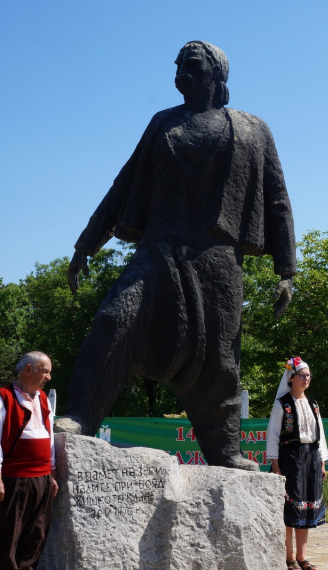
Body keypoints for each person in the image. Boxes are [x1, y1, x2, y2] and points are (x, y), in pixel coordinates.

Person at [55, 41, 296, 470]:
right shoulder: (161, 123)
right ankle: (79, 417)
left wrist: (286, 270)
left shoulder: (252, 129)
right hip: (160, 249)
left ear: (216, 76)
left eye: (191, 66)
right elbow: (125, 185)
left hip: (217, 258)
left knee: (220, 358)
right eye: (178, 66)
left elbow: (277, 199)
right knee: (114, 320)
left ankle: (225, 451)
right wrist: (86, 244)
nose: (180, 73)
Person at [0, 351, 59, 570]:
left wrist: (52, 473)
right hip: (13, 479)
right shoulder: (2, 398)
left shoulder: (43, 399)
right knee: (7, 534)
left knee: (36, 533)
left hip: (41, 478)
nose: (48, 377)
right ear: (28, 369)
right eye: (44, 371)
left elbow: (48, 437)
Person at [266, 357, 328, 570]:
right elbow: (273, 435)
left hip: (311, 458)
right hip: (290, 457)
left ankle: (302, 556)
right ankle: (289, 557)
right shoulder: (282, 404)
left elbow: (319, 435)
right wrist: (275, 465)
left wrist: (321, 462)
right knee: (291, 506)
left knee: (308, 505)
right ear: (290, 378)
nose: (306, 379)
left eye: (308, 375)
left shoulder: (313, 405)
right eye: (302, 375)